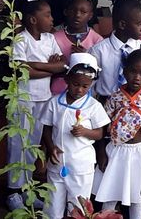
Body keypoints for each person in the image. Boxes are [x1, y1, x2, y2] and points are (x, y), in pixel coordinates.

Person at [7, 0, 66, 211]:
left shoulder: (50, 39)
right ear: (33, 19)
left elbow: (62, 65)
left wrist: (39, 66)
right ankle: (13, 191)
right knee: (18, 144)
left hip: (43, 99)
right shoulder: (21, 39)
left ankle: (27, 189)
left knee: (32, 144)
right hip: (23, 99)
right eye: (48, 15)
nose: (52, 19)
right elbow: (22, 70)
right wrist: (50, 69)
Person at [41, 53, 109, 219]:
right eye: (75, 84)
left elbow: (100, 133)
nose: (79, 89)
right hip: (57, 164)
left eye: (85, 86)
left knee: (79, 207)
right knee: (52, 205)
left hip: (81, 166)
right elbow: (47, 128)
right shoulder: (54, 102)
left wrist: (85, 132)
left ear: (91, 85)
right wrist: (51, 148)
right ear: (66, 79)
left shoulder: (94, 106)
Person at [93, 49, 141, 219]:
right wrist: (101, 152)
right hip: (116, 151)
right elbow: (103, 125)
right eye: (132, 71)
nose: (137, 77)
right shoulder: (115, 98)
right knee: (110, 192)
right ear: (125, 71)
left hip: (138, 152)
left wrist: (131, 119)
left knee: (136, 197)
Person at [88, 0, 141, 102]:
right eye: (138, 24)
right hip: (106, 105)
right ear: (122, 25)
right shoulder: (98, 51)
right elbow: (89, 84)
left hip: (135, 106)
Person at [51, 0, 103, 95]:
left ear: (90, 15)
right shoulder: (55, 37)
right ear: (65, 11)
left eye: (83, 12)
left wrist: (85, 58)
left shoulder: (97, 40)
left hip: (84, 95)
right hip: (57, 92)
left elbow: (100, 72)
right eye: (73, 10)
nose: (77, 15)